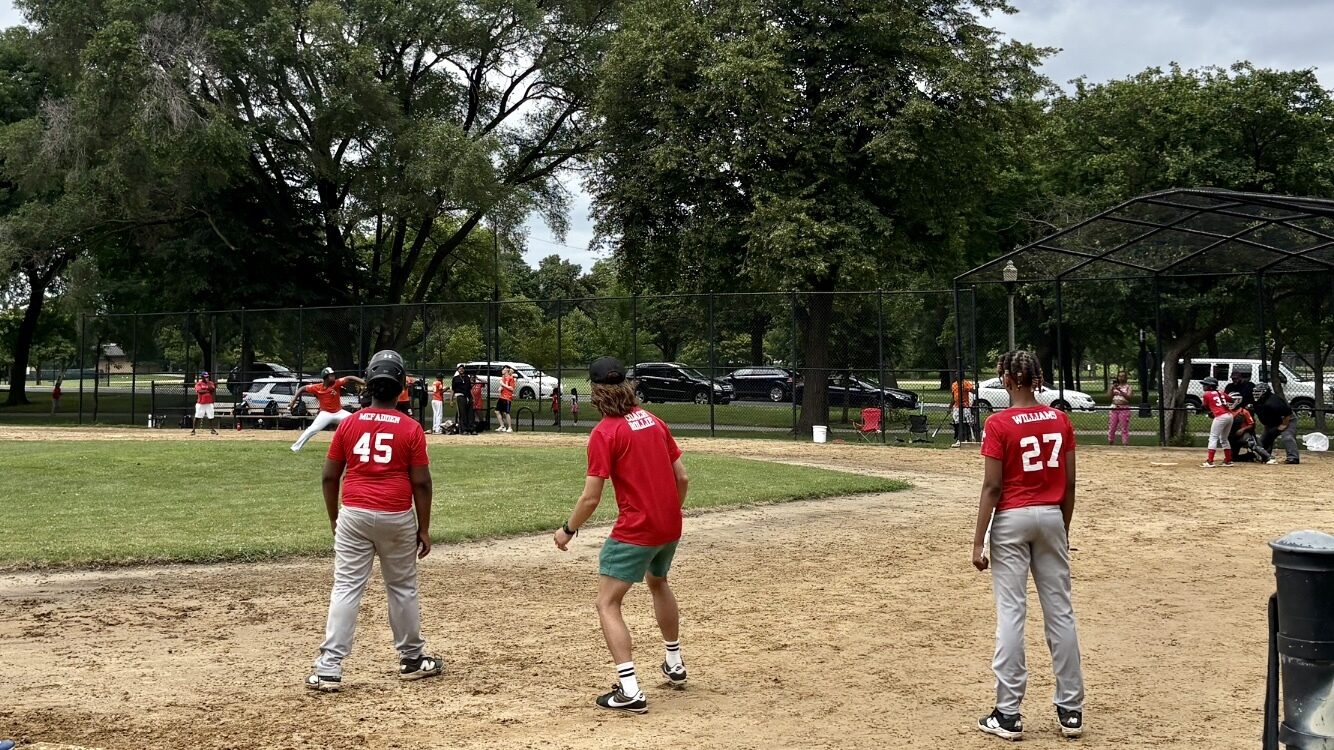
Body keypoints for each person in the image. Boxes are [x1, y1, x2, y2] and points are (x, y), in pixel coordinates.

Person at [553, 357, 691, 715]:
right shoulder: (654, 421)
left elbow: (591, 497)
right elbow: (683, 479)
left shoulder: (605, 432)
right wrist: (669, 512)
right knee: (658, 581)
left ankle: (629, 690)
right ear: (627, 385)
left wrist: (567, 530)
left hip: (637, 529)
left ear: (596, 391)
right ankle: (674, 663)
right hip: (669, 524)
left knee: (607, 603)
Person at [306, 349, 442, 692]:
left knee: (347, 586)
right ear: (400, 388)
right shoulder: (411, 428)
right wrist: (423, 527)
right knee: (402, 587)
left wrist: (336, 518)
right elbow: (422, 482)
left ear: (367, 387)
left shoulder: (349, 422)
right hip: (397, 515)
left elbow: (328, 477)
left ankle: (329, 668)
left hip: (354, 512)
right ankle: (412, 659)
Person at [972, 350, 1083, 742]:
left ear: (1007, 379)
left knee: (1011, 614)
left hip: (1011, 519)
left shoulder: (998, 423)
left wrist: (978, 541)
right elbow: (1069, 484)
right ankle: (1070, 709)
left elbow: (993, 487)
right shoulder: (1060, 418)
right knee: (1060, 612)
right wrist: (1062, 527)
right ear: (1036, 378)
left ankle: (1008, 713)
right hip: (1052, 515)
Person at [291, 368, 366, 452]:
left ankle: (362, 445)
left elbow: (349, 377)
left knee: (357, 422)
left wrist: (363, 382)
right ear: (326, 377)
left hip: (339, 413)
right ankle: (295, 448)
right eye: (331, 375)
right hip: (325, 414)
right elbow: (302, 388)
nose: (334, 376)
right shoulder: (317, 387)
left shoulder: (337, 383)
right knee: (312, 430)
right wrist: (294, 400)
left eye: (333, 374)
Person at [1254, 382, 1301, 464]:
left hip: (1287, 419)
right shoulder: (1257, 401)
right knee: (1263, 440)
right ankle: (1265, 456)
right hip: (1272, 422)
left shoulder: (1274, 401)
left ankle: (1293, 458)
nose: (1256, 394)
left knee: (1287, 437)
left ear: (1265, 392)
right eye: (1255, 392)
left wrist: (1284, 425)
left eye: (1259, 392)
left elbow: (1287, 413)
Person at [1229, 399, 1276, 465]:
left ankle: (1268, 457)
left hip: (1243, 434)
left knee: (1251, 443)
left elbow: (1251, 424)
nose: (1230, 403)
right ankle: (1251, 456)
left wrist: (1243, 429)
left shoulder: (1244, 411)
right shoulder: (1227, 411)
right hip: (1232, 435)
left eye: (1233, 401)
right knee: (1232, 458)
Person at [1200, 377, 1234, 468]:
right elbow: (1231, 400)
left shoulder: (1207, 394)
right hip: (1229, 415)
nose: (1203, 386)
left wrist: (1210, 411)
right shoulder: (1221, 392)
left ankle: (1210, 461)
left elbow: (1204, 406)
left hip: (1220, 416)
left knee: (1213, 437)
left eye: (1205, 385)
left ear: (1211, 386)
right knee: (1224, 438)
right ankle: (1228, 460)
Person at [951, 374, 977, 448]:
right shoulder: (954, 384)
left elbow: (973, 391)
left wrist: (976, 388)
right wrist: (950, 407)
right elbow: (953, 397)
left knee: (965, 423)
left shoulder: (965, 383)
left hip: (965, 406)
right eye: (956, 374)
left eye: (958, 374)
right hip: (956, 407)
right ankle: (959, 440)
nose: (957, 376)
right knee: (957, 424)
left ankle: (966, 439)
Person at [1107, 371, 1132, 446]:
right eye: (1119, 376)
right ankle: (1110, 441)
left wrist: (1120, 391)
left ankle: (1125, 443)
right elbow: (1109, 396)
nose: (1121, 378)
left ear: (1126, 378)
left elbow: (1129, 397)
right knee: (1112, 427)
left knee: (1124, 427)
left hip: (1123, 408)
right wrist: (1112, 389)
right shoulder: (1114, 386)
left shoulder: (1128, 387)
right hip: (1114, 408)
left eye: (1123, 376)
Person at [192, 371, 219, 436]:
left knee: (211, 417)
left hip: (209, 402)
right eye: (205, 377)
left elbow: (212, 389)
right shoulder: (199, 383)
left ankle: (212, 430)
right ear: (202, 377)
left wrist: (206, 389)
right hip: (201, 403)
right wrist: (207, 390)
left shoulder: (210, 383)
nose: (207, 378)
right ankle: (193, 430)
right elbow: (199, 391)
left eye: (207, 377)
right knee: (197, 416)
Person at [451, 366, 473, 435]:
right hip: (460, 396)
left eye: (462, 369)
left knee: (470, 413)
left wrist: (472, 397)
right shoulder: (455, 378)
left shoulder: (467, 378)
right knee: (462, 413)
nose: (461, 370)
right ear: (458, 370)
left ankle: (471, 429)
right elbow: (453, 389)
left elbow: (469, 388)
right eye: (459, 369)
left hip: (468, 396)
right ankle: (463, 429)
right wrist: (451, 399)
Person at [496, 366, 516, 433]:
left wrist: (503, 385)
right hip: (501, 397)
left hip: (507, 397)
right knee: (497, 411)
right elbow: (502, 386)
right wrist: (500, 387)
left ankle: (510, 427)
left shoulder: (511, 378)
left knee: (506, 413)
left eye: (503, 370)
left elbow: (512, 388)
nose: (502, 371)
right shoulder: (503, 378)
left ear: (506, 371)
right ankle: (502, 426)